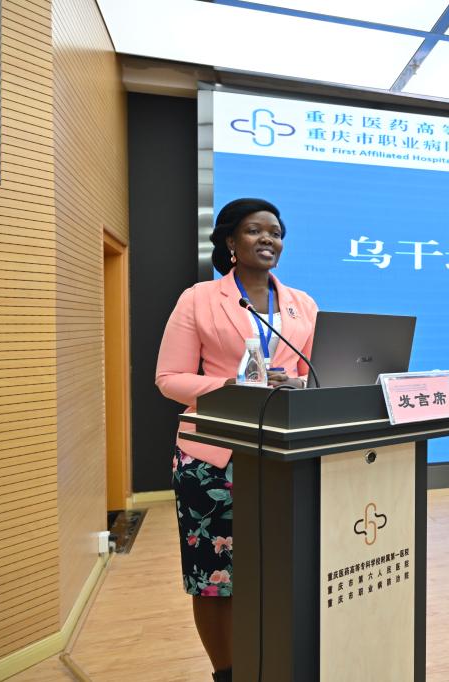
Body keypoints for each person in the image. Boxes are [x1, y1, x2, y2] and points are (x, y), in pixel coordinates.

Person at [155, 198, 318, 682]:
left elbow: (312, 374)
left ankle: (279, 662)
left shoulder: (303, 304)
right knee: (214, 580)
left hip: (285, 455)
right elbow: (169, 379)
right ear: (230, 241)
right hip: (213, 458)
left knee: (282, 571)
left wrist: (299, 384)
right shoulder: (198, 298)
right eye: (254, 230)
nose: (268, 239)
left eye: (276, 232)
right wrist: (229, 386)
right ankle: (226, 673)